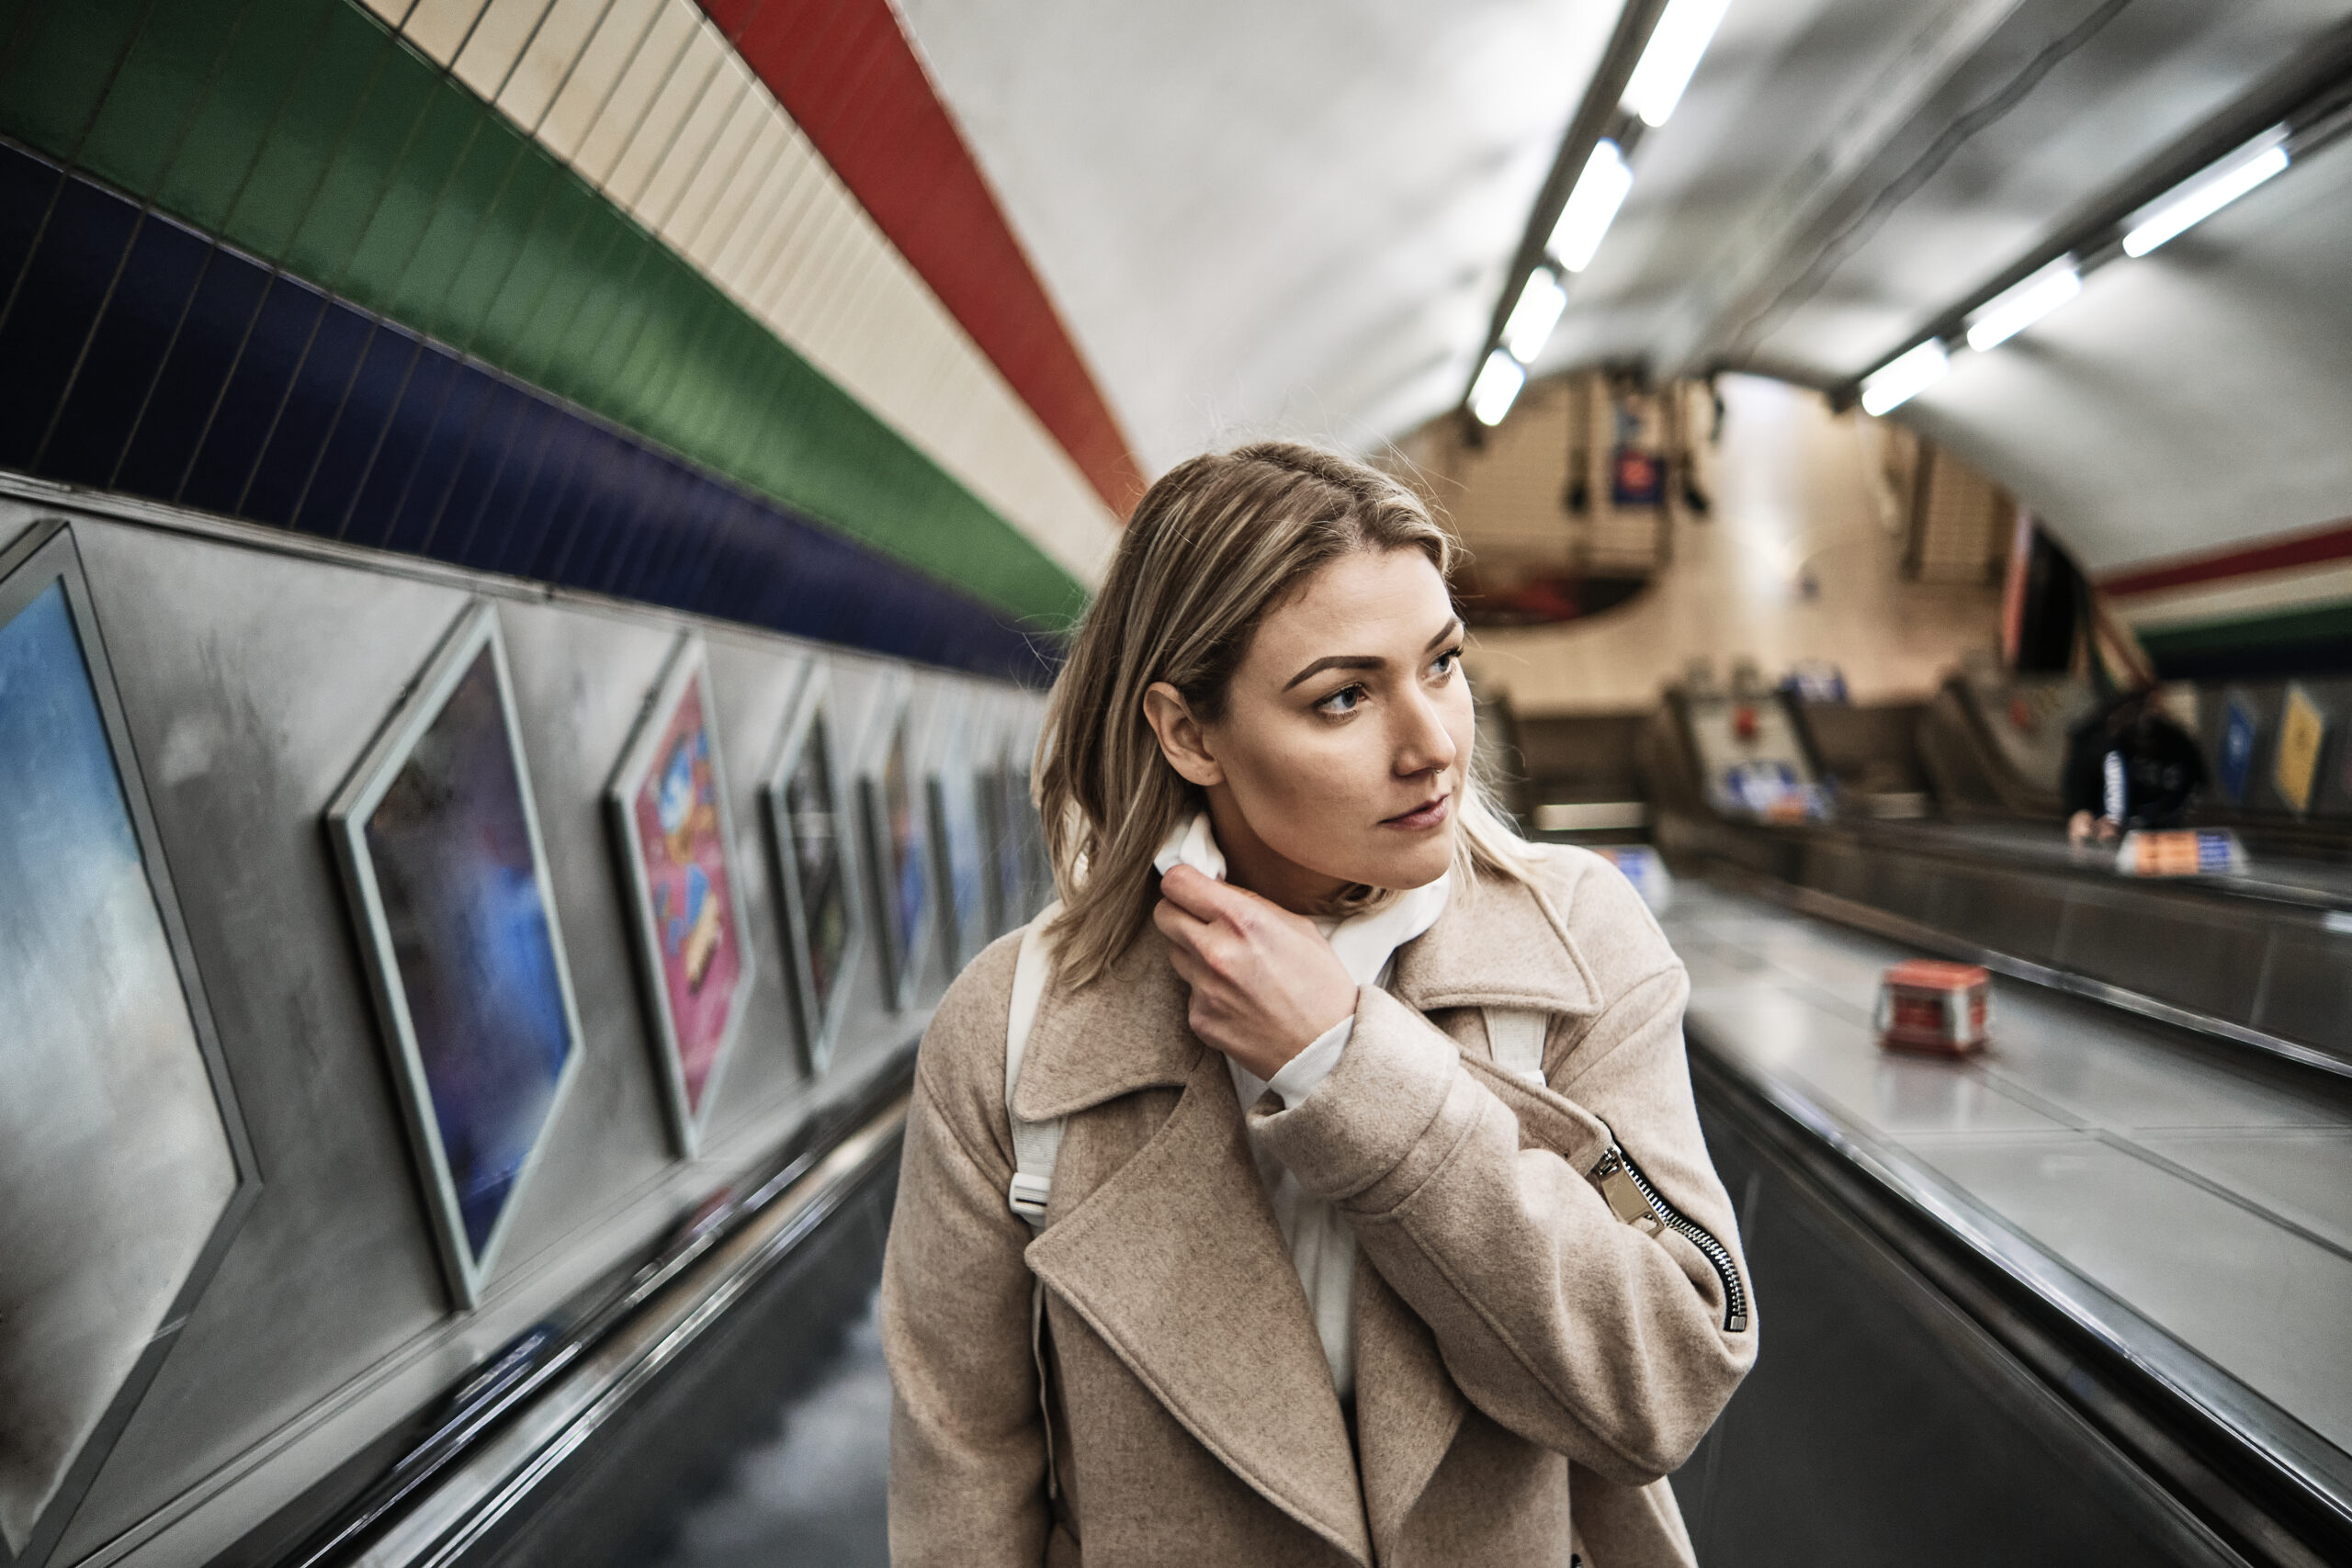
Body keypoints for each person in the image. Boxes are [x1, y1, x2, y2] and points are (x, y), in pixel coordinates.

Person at [880, 444, 1755, 1566]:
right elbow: (962, 1488)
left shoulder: (1576, 944)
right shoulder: (1016, 1031)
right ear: (1187, 732)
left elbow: (1671, 1376)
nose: (1432, 744)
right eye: (1343, 697)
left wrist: (1351, 1069)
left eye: (1441, 664)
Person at [2062, 688, 2206, 845]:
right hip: (2112, 835)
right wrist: (2080, 812)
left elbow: (2197, 784)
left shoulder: (2177, 743)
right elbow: (2077, 787)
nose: (2138, 719)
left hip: (2162, 836)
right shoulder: (2096, 745)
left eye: (2144, 708)